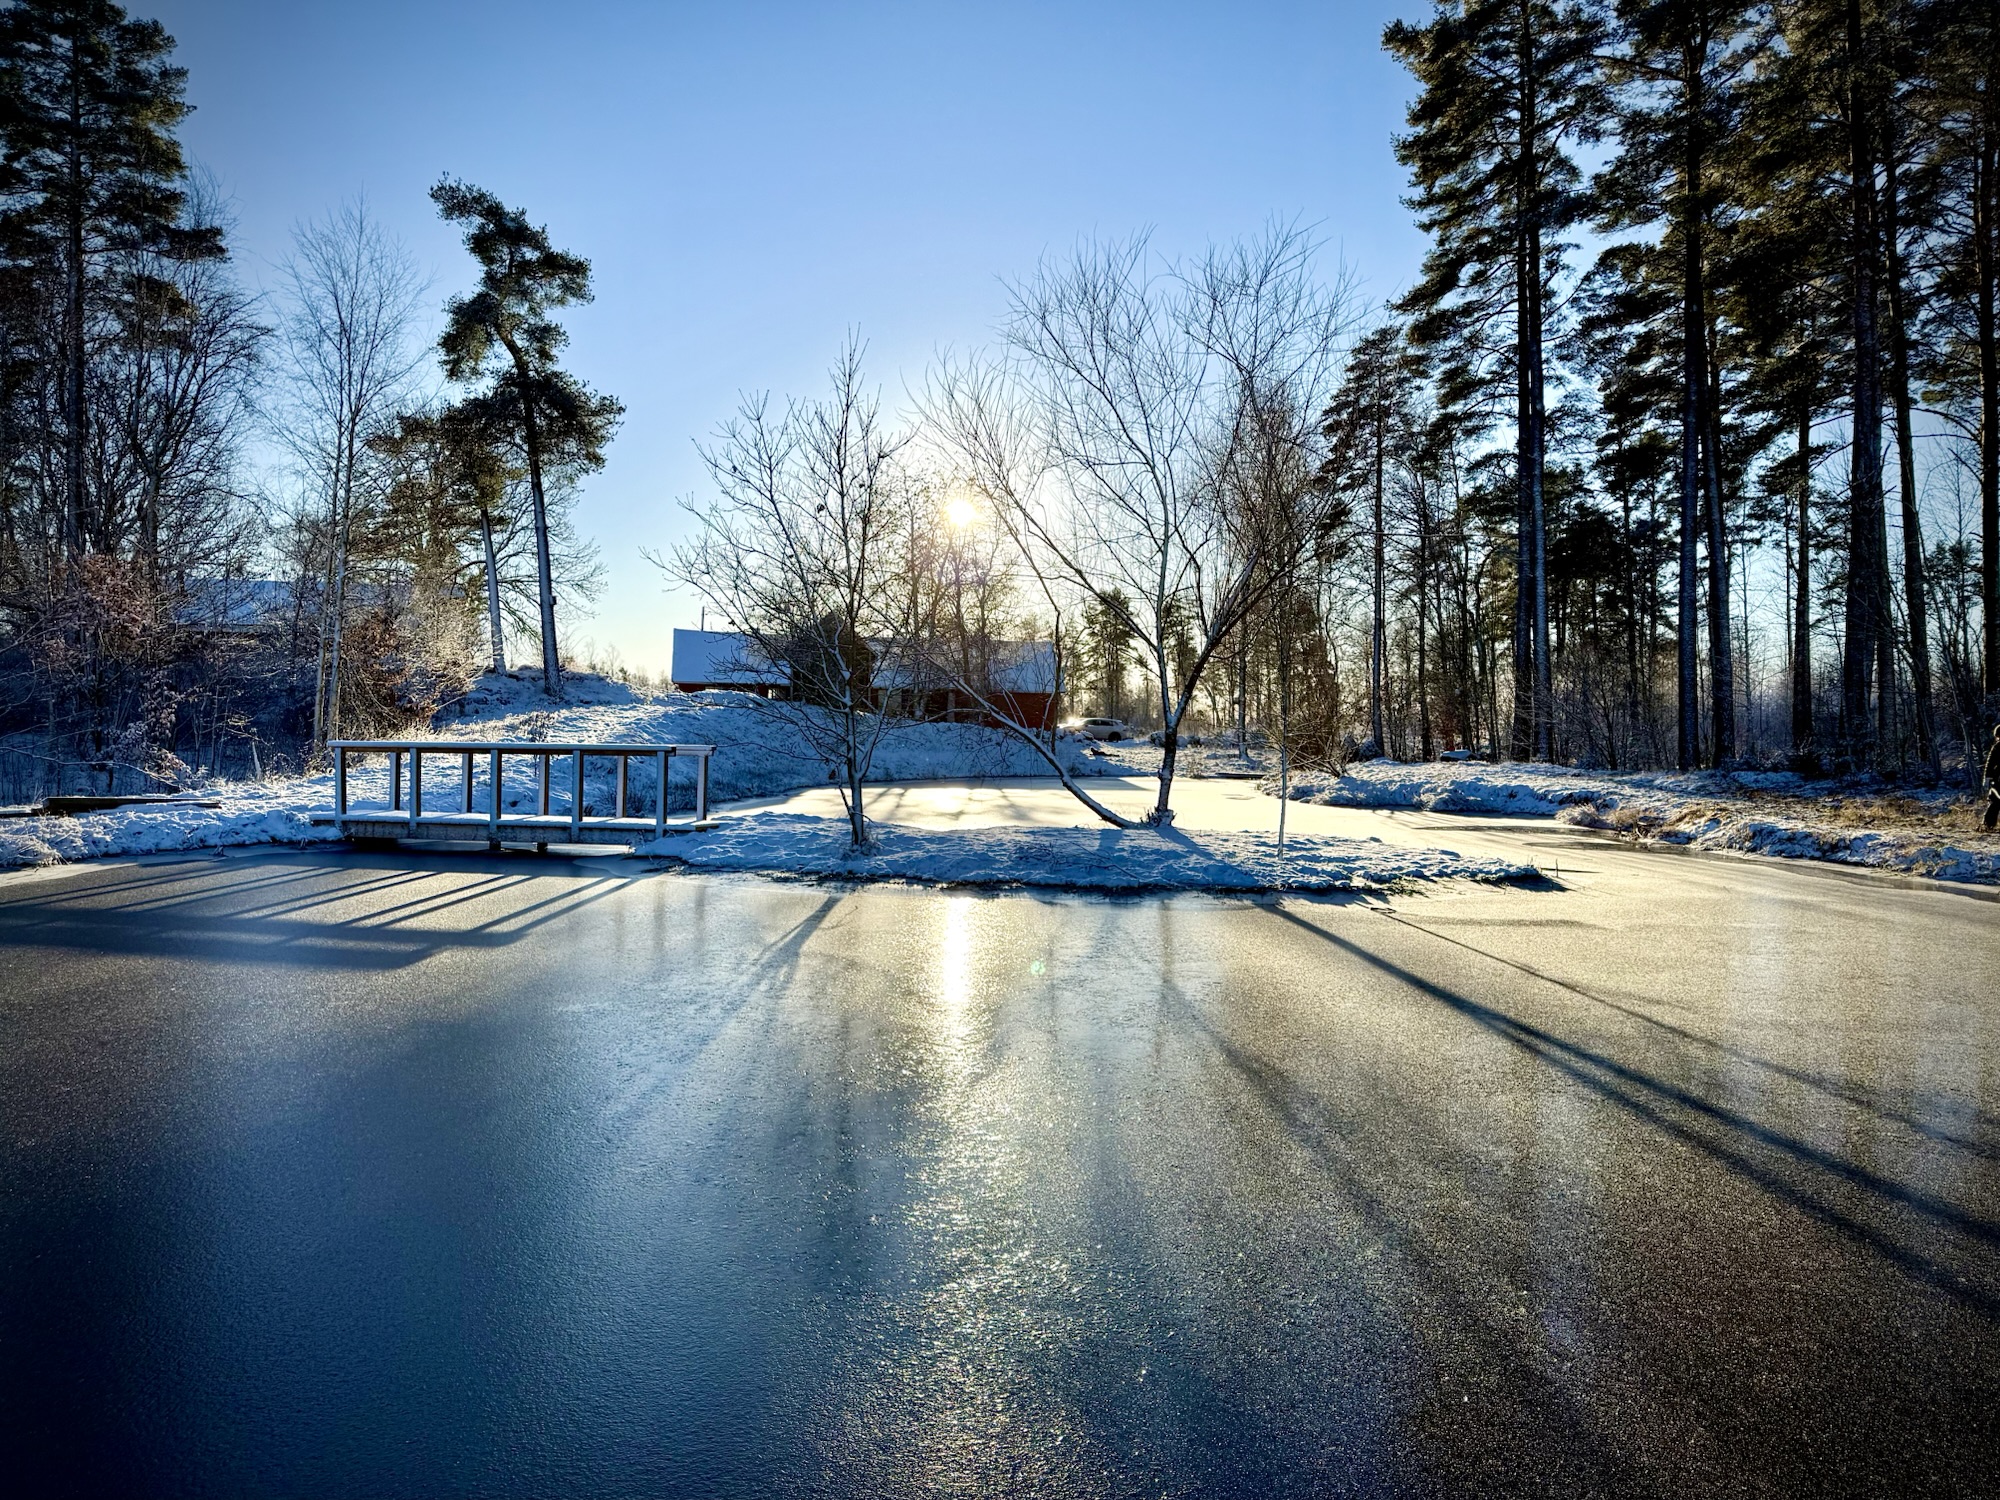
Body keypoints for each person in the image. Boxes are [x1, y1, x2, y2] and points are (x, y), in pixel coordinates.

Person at [1987, 722, 2000, 831]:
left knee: (1995, 802)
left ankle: (1988, 825)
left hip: (1998, 779)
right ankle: (1988, 825)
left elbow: (1990, 764)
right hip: (1997, 779)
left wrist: (1988, 778)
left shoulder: (1997, 747)